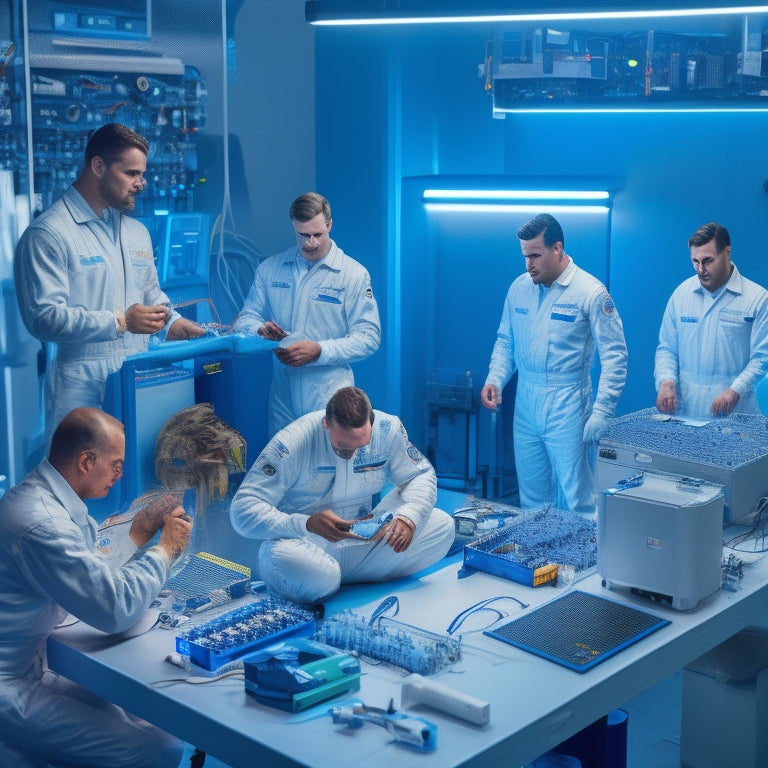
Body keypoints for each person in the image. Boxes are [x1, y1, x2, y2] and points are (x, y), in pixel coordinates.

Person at [0, 407, 192, 768]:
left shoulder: (50, 499)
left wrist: (137, 534)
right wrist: (165, 551)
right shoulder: (40, 522)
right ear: (86, 461)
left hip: (31, 664)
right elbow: (114, 609)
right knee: (143, 753)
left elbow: (82, 568)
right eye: (115, 464)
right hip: (8, 685)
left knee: (166, 742)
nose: (120, 474)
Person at [14, 122, 204, 447]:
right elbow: (43, 318)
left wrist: (173, 323)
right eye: (131, 173)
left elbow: (152, 297)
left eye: (142, 174)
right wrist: (120, 321)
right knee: (84, 485)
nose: (141, 183)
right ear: (98, 167)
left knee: (140, 481)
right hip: (80, 383)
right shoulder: (50, 234)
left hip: (138, 376)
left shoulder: (136, 232)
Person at [229, 386, 455, 604]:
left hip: (365, 543)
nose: (352, 454)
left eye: (360, 446)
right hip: (307, 548)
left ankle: (334, 581)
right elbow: (242, 510)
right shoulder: (293, 441)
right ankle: (332, 578)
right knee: (300, 567)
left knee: (443, 527)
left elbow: (421, 475)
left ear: (372, 423)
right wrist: (306, 523)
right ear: (326, 424)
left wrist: (408, 518)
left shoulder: (388, 429)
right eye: (342, 448)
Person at [480, 213, 627, 514]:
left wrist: (602, 411)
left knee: (579, 498)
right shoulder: (519, 288)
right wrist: (495, 379)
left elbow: (615, 356)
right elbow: (506, 341)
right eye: (525, 256)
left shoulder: (590, 292)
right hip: (526, 400)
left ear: (557, 248)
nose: (529, 264)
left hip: (569, 403)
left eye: (535, 255)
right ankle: (540, 559)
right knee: (533, 496)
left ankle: (586, 561)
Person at [232, 192, 381, 436]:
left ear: (329, 225)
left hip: (330, 397)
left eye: (317, 235)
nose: (310, 243)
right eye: (303, 235)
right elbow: (245, 319)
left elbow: (369, 337)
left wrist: (320, 351)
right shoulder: (270, 270)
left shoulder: (352, 274)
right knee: (283, 469)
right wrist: (258, 330)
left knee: (331, 468)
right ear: (293, 227)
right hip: (283, 398)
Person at [655, 222, 768, 418]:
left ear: (727, 252)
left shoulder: (757, 299)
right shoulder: (681, 295)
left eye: (707, 261)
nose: (700, 269)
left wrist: (735, 391)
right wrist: (665, 381)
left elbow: (762, 357)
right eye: (695, 261)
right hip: (687, 412)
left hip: (736, 414)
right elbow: (667, 348)